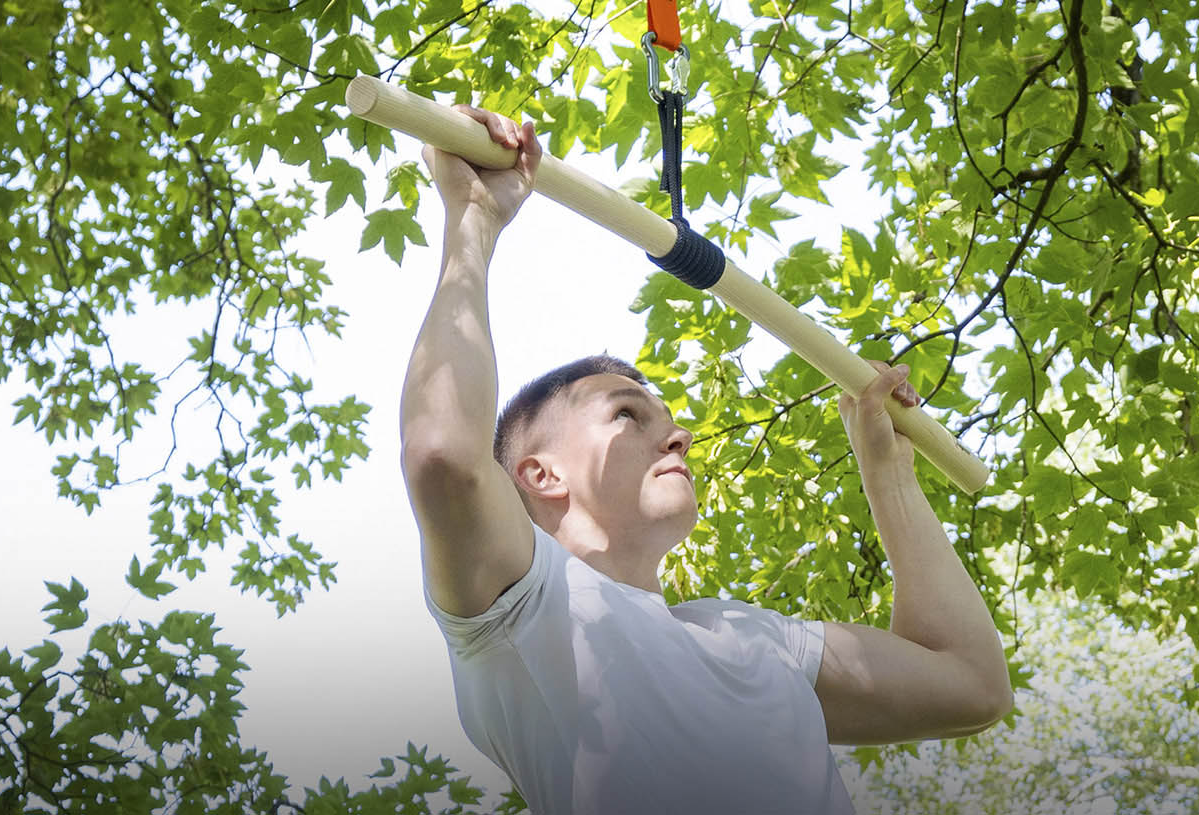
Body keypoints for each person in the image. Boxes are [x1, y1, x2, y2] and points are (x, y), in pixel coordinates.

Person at [397, 104, 1011, 815]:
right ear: (541, 474)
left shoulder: (755, 636)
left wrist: (889, 471)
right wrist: (472, 223)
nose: (679, 436)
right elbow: (443, 454)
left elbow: (973, 683)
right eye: (627, 413)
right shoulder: (527, 608)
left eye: (670, 419)